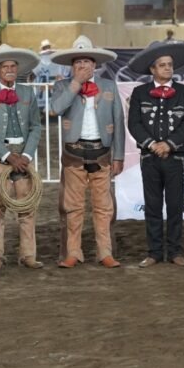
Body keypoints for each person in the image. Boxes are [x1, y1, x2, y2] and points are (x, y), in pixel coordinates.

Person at [50, 36, 125, 269]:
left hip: (102, 152)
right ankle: (73, 252)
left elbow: (118, 121)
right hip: (74, 153)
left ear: (94, 64)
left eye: (86, 61)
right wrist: (75, 84)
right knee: (73, 206)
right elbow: (55, 109)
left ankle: (105, 252)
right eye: (78, 62)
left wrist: (119, 155)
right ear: (72, 66)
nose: (82, 65)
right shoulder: (62, 86)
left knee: (104, 207)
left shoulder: (109, 86)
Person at [126, 40, 184, 268]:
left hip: (175, 158)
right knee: (152, 205)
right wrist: (151, 144)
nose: (168, 68)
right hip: (150, 158)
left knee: (175, 206)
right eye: (162, 65)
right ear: (152, 69)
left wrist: (169, 144)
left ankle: (175, 252)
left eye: (170, 65)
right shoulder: (139, 93)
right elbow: (134, 124)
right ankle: (154, 252)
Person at [0, 44, 43, 270]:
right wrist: (7, 155)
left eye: (13, 66)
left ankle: (28, 255)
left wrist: (26, 154)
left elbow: (35, 126)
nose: (10, 70)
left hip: (23, 159)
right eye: (5, 66)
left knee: (27, 208)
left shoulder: (27, 93)